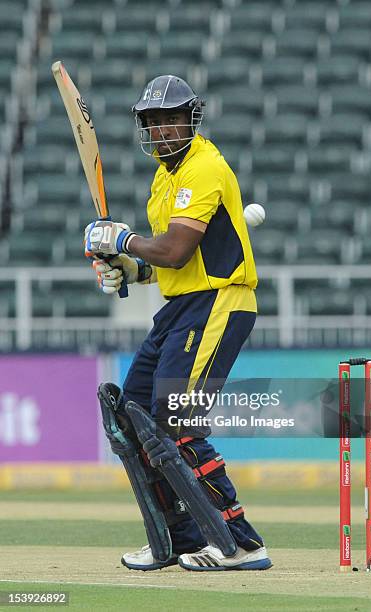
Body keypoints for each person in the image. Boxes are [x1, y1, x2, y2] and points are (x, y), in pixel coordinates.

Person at [85, 75, 272, 572]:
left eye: (171, 119)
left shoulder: (204, 166)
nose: (163, 129)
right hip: (180, 307)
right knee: (133, 416)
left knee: (178, 422)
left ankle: (241, 542)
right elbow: (168, 263)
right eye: (154, 121)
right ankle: (183, 538)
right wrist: (131, 269)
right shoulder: (164, 179)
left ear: (192, 119)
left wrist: (123, 242)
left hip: (219, 303)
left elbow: (174, 249)